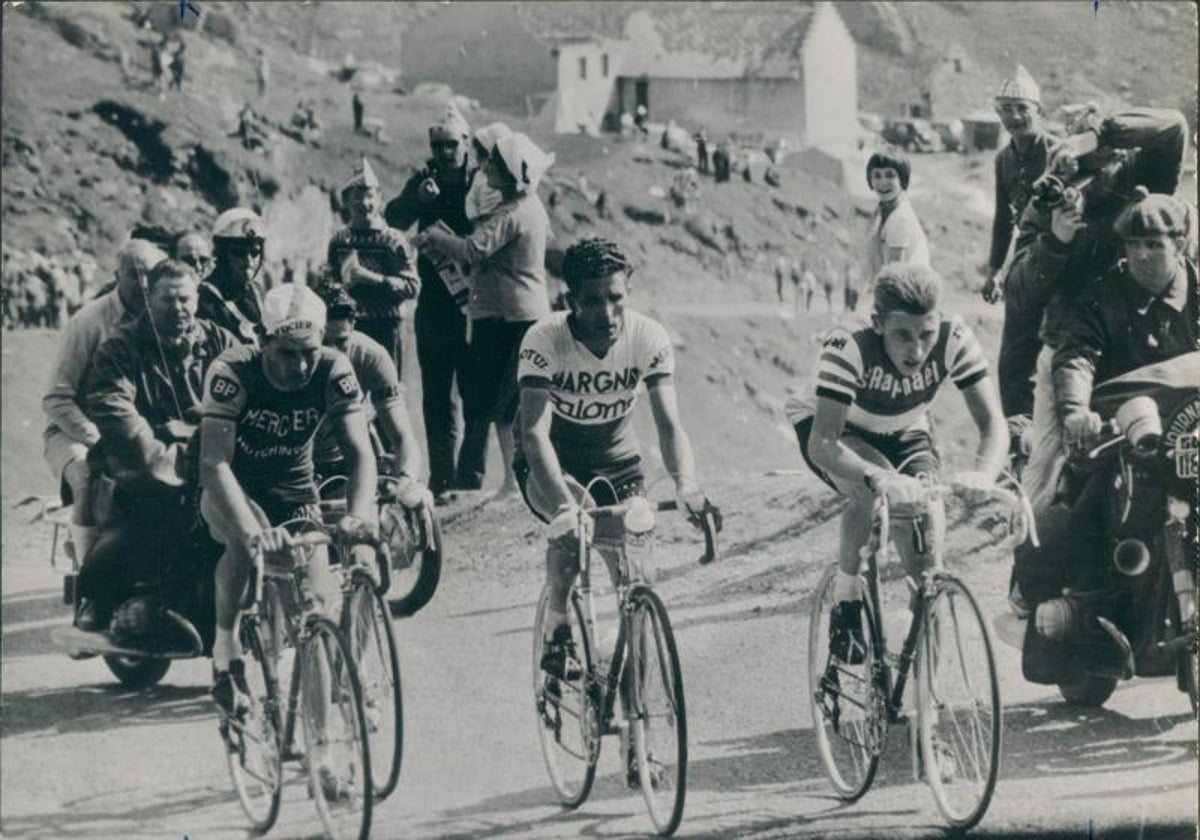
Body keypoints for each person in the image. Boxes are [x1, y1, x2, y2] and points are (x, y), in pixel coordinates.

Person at [515, 236, 719, 694]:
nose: (607, 314)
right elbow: (533, 434)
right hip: (554, 462)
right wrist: (565, 508)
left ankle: (635, 741)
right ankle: (559, 623)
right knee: (575, 533)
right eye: (592, 301)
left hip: (619, 463)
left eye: (616, 299)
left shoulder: (647, 335)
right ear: (570, 300)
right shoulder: (544, 339)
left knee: (638, 588)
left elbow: (670, 425)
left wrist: (687, 485)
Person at [786, 263, 1006, 663]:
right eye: (902, 335)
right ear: (877, 323)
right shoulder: (849, 343)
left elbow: (994, 424)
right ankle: (847, 598)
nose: (917, 350)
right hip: (837, 429)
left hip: (905, 426)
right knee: (873, 494)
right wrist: (876, 476)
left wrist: (985, 474)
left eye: (926, 335)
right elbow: (823, 444)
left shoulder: (954, 337)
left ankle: (926, 699)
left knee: (926, 558)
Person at [198, 284, 378, 722]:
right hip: (233, 484)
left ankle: (325, 737)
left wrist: (357, 517)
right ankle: (226, 653)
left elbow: (361, 454)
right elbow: (214, 463)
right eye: (285, 353)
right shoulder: (232, 371)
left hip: (294, 490)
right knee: (246, 546)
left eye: (309, 352)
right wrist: (254, 532)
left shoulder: (335, 369)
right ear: (262, 342)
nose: (299, 366)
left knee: (316, 604)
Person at [1002, 106, 1187, 510]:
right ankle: (1032, 569)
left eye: (1096, 161)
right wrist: (1055, 242)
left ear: (1118, 155)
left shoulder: (1140, 182)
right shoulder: (1048, 200)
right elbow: (1017, 296)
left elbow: (1173, 127)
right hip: (1071, 350)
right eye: (1077, 168)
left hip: (1137, 349)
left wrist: (1100, 132)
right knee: (1044, 481)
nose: (1085, 179)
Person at [76, 260, 238, 630]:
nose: (179, 308)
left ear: (197, 298)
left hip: (213, 460)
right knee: (154, 517)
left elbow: (249, 389)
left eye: (186, 299)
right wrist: (173, 459)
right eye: (168, 300)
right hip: (146, 471)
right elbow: (114, 410)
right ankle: (105, 597)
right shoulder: (120, 348)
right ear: (149, 299)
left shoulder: (222, 342)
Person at [417, 132, 555, 497]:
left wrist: (435, 236)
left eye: (494, 163)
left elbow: (473, 249)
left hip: (506, 317)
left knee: (502, 402)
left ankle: (515, 480)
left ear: (510, 172)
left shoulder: (513, 213)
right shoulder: (530, 208)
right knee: (509, 401)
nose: (487, 167)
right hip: (519, 311)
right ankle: (519, 478)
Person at [42, 240, 168, 567]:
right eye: (133, 275)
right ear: (116, 275)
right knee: (89, 478)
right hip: (75, 434)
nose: (142, 283)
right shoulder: (87, 322)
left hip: (135, 429)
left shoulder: (163, 317)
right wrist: (100, 438)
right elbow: (56, 398)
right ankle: (88, 573)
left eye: (150, 275)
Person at [384, 106, 483, 501]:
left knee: (476, 394)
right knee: (437, 395)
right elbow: (392, 218)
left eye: (451, 145)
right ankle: (442, 478)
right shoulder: (423, 179)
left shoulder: (479, 182)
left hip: (475, 301)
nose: (445, 153)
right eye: (438, 146)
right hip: (435, 303)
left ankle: (470, 476)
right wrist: (417, 200)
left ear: (466, 144)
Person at [314, 286, 430, 506]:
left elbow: (404, 437)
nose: (334, 354)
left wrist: (406, 480)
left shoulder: (372, 356)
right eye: (324, 344)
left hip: (350, 459)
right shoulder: (292, 359)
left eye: (341, 343)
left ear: (354, 326)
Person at [326, 157, 420, 377]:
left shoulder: (393, 241)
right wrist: (334, 288)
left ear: (378, 199)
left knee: (388, 391)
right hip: (349, 329)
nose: (363, 203)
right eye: (356, 197)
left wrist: (372, 278)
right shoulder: (340, 240)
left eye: (369, 196)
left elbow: (412, 286)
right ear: (346, 201)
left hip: (386, 327)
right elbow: (328, 279)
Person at [983, 66, 1056, 304]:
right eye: (1006, 109)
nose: (1014, 117)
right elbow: (1003, 220)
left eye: (1022, 108)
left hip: (1062, 259)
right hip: (1026, 258)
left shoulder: (1059, 152)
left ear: (1039, 111)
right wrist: (994, 271)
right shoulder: (1003, 159)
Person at [198, 208, 268, 344]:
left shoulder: (257, 291)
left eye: (255, 253)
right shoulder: (205, 298)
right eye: (239, 253)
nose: (249, 262)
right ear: (222, 254)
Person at [863, 147, 931, 282]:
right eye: (877, 175)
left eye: (890, 175)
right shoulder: (883, 210)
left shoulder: (900, 218)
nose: (883, 182)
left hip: (907, 290)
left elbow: (895, 274)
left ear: (902, 179)